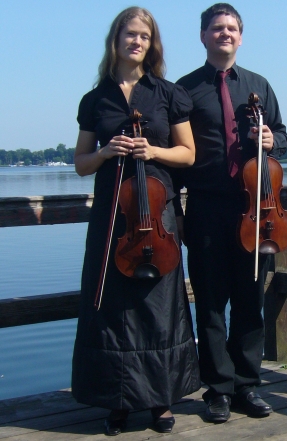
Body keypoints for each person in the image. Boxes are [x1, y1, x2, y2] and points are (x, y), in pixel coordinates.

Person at [71, 7, 200, 436]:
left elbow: (188, 153)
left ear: (152, 44)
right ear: (117, 40)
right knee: (112, 308)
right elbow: (81, 164)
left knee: (158, 307)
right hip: (114, 216)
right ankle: (118, 401)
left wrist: (152, 152)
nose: (137, 42)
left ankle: (161, 402)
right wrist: (107, 152)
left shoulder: (166, 93)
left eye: (144, 36)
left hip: (156, 213)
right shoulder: (95, 100)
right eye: (130, 35)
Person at [176, 3, 287, 423]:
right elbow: (174, 160)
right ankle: (217, 390)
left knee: (249, 300)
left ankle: (247, 386)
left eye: (231, 29)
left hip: (254, 210)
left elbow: (283, 134)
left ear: (241, 37)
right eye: (217, 28)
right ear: (203, 36)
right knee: (208, 303)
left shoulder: (258, 85)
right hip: (205, 206)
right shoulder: (183, 90)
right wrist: (178, 212)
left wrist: (270, 139)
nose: (225, 34)